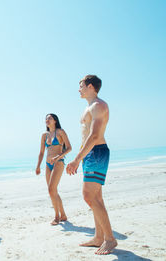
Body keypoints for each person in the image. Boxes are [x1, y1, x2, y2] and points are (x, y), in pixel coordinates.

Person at [66, 75, 117, 255]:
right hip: (90, 154)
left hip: (97, 152)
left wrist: (76, 159)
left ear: (89, 86)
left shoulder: (98, 106)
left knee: (89, 196)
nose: (78, 89)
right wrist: (81, 157)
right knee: (97, 197)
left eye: (80, 86)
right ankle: (98, 237)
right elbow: (85, 136)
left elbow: (94, 136)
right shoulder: (89, 107)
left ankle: (110, 239)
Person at [36, 114, 72, 225]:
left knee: (51, 189)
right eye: (46, 118)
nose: (47, 120)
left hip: (58, 163)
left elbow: (69, 148)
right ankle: (63, 215)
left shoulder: (60, 132)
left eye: (49, 118)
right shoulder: (44, 135)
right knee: (53, 191)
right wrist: (38, 166)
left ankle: (57, 217)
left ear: (55, 121)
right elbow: (42, 152)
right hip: (48, 164)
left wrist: (58, 157)